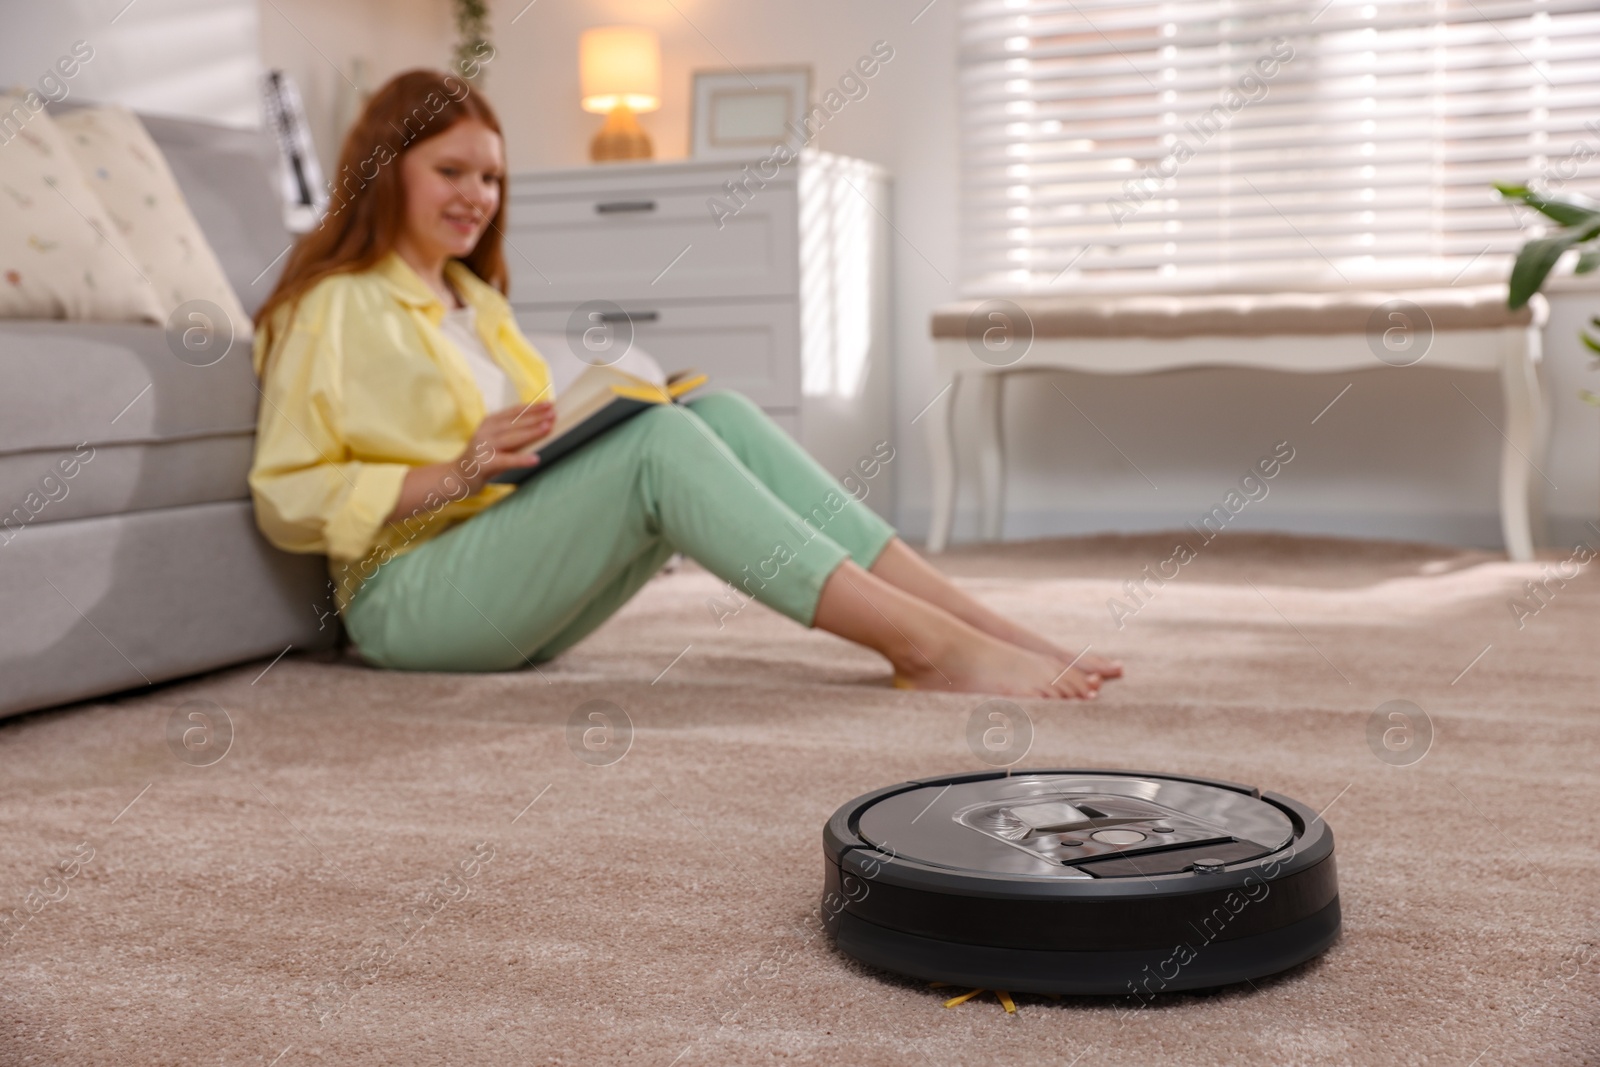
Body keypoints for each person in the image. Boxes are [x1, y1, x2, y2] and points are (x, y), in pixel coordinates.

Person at [248, 70, 1121, 699]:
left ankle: (982, 627)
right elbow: (285, 498)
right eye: (452, 171)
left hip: (507, 579)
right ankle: (931, 649)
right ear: (386, 168)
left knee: (719, 413)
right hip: (409, 601)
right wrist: (455, 473)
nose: (478, 195)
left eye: (491, 176)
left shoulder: (476, 300)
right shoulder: (332, 307)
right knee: (661, 442)